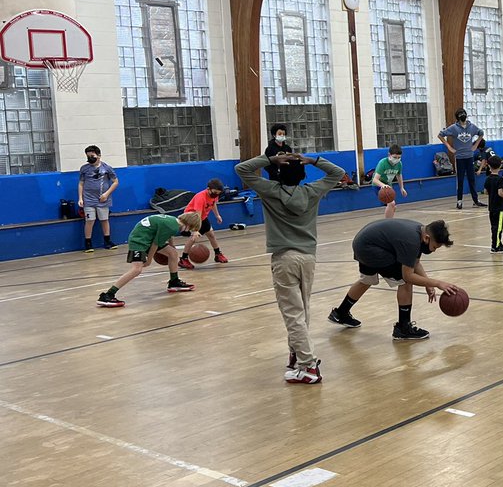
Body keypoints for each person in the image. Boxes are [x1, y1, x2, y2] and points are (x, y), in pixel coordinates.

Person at [236, 151, 345, 384]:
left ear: (277, 173)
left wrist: (269, 159)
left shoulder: (270, 191)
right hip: (308, 257)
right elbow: (339, 173)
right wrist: (314, 159)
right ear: (303, 173)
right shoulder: (312, 191)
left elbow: (242, 169)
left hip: (284, 258)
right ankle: (297, 355)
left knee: (293, 314)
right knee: (302, 309)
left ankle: (308, 367)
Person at [328, 218, 459, 342]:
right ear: (427, 238)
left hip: (363, 243)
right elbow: (409, 276)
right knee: (406, 281)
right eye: (435, 247)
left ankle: (340, 313)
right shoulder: (412, 241)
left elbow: (416, 262)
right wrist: (437, 283)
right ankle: (403, 328)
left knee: (367, 280)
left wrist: (427, 284)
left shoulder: (420, 231)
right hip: (370, 248)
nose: (434, 251)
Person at [96, 211, 201, 307]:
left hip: (147, 237)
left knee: (172, 253)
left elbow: (168, 235)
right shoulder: (172, 227)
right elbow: (155, 243)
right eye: (191, 229)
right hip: (139, 240)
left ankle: (174, 282)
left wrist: (171, 246)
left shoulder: (173, 221)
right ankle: (108, 295)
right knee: (137, 269)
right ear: (189, 225)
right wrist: (149, 259)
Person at [438, 108, 485, 210]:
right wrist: (449, 147)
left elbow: (481, 133)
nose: (462, 116)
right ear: (457, 117)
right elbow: (440, 135)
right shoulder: (454, 128)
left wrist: (476, 144)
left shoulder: (472, 127)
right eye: (460, 114)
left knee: (472, 179)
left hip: (469, 156)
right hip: (459, 158)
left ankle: (475, 201)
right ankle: (459, 201)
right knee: (460, 180)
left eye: (464, 113)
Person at [179, 178, 230, 268]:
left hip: (202, 217)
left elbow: (213, 203)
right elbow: (197, 216)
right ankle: (183, 259)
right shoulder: (200, 197)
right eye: (214, 192)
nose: (216, 194)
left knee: (211, 235)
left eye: (218, 193)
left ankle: (218, 254)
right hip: (192, 217)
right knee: (194, 238)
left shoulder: (214, 195)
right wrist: (195, 230)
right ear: (208, 189)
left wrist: (217, 215)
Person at [78, 145, 119, 252]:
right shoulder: (84, 169)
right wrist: (80, 198)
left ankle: (107, 241)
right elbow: (81, 184)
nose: (90, 158)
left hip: (103, 200)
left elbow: (115, 182)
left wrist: (106, 194)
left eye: (92, 156)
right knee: (90, 220)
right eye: (88, 156)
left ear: (99, 155)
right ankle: (88, 243)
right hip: (89, 200)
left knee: (104, 220)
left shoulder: (107, 168)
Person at [372, 144, 407, 219]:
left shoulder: (399, 164)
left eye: (399, 157)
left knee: (393, 207)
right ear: (389, 155)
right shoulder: (382, 163)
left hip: (388, 185)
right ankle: (387, 222)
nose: (397, 159)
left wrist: (402, 188)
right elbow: (375, 180)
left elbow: (399, 176)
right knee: (391, 203)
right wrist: (382, 185)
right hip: (378, 185)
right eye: (395, 157)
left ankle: (389, 220)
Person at [484, 155, 503, 254]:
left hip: (491, 207)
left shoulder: (488, 179)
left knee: (494, 227)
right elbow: (500, 192)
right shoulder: (499, 179)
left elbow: (485, 192)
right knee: (499, 227)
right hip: (499, 207)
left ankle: (497, 243)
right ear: (500, 166)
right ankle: (495, 247)